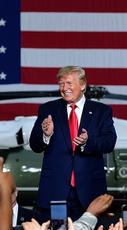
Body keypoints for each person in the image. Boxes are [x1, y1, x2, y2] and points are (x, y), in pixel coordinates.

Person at [30, 65, 117, 221]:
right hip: (54, 191)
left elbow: (109, 143)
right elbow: (35, 146)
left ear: (82, 85)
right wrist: (45, 135)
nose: (64, 88)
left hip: (89, 193)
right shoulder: (48, 109)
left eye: (69, 83)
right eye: (61, 84)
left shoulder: (101, 111)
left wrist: (88, 142)